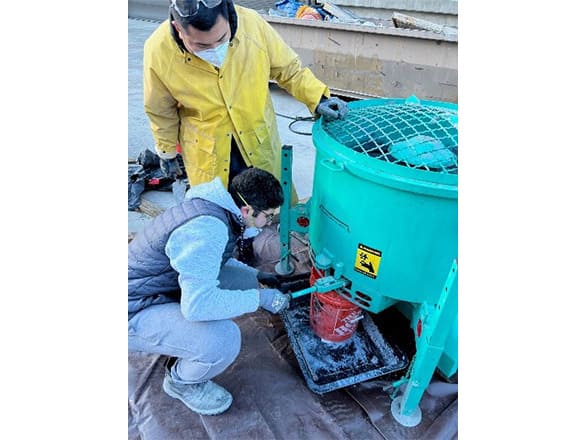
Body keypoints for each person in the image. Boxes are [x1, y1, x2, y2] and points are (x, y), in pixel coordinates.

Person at [128, 167, 291, 415]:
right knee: (222, 340)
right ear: (247, 210)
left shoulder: (214, 207)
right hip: (133, 308)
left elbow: (215, 261)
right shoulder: (206, 230)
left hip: (152, 289)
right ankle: (181, 383)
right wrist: (260, 299)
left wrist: (258, 276)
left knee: (242, 282)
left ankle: (179, 341)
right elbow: (197, 307)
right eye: (267, 216)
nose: (269, 222)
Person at [143, 0, 348, 195]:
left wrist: (318, 98)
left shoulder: (252, 25)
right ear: (178, 29)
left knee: (271, 208)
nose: (215, 50)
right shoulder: (159, 50)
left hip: (257, 138)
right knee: (220, 213)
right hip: (207, 150)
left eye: (222, 39)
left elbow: (288, 70)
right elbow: (160, 110)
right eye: (201, 47)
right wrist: (167, 150)